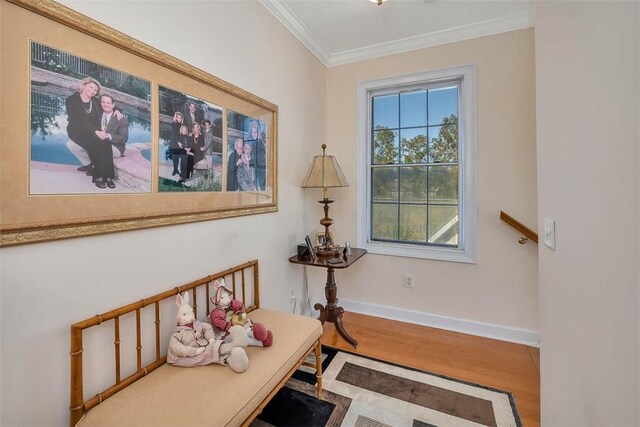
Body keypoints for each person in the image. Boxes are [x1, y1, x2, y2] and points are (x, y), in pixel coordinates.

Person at [65, 77, 120, 189]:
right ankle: (99, 177)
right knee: (96, 144)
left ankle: (109, 177)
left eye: (95, 90)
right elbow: (79, 120)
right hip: (76, 131)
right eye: (91, 87)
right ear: (83, 85)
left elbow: (108, 105)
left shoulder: (95, 101)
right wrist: (96, 132)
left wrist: (117, 110)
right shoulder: (71, 100)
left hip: (92, 131)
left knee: (106, 143)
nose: (93, 91)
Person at [247, 121, 266, 191]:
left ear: (258, 132)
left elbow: (260, 159)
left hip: (262, 169)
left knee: (263, 187)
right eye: (252, 132)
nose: (254, 134)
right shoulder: (254, 143)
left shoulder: (261, 143)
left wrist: (250, 162)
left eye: (255, 132)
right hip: (257, 169)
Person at [169, 112, 184, 176]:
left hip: (179, 143)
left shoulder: (182, 125)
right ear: (176, 117)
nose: (179, 119)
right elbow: (175, 134)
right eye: (178, 117)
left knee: (177, 157)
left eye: (180, 118)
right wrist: (178, 142)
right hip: (174, 142)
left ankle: (176, 170)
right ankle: (175, 169)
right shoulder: (173, 124)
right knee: (174, 157)